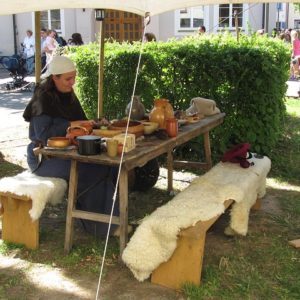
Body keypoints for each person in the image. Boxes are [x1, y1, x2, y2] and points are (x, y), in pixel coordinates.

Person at [23, 55, 119, 236]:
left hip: (66, 152)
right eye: (68, 79)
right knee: (93, 171)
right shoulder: (42, 98)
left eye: (74, 77)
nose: (72, 82)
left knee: (110, 166)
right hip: (43, 158)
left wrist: (93, 124)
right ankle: (102, 227)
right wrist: (70, 124)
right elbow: (43, 134)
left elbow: (80, 122)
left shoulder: (67, 93)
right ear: (55, 78)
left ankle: (110, 218)